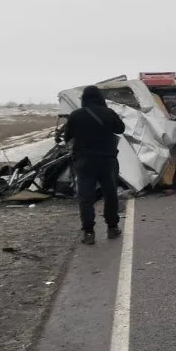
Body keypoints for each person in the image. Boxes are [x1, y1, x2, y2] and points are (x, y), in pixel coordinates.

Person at [63, 85, 125, 245]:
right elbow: (121, 128)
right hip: (107, 160)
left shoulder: (76, 115)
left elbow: (66, 137)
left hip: (84, 162)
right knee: (110, 195)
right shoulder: (108, 113)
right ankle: (112, 227)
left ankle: (89, 232)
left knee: (86, 197)